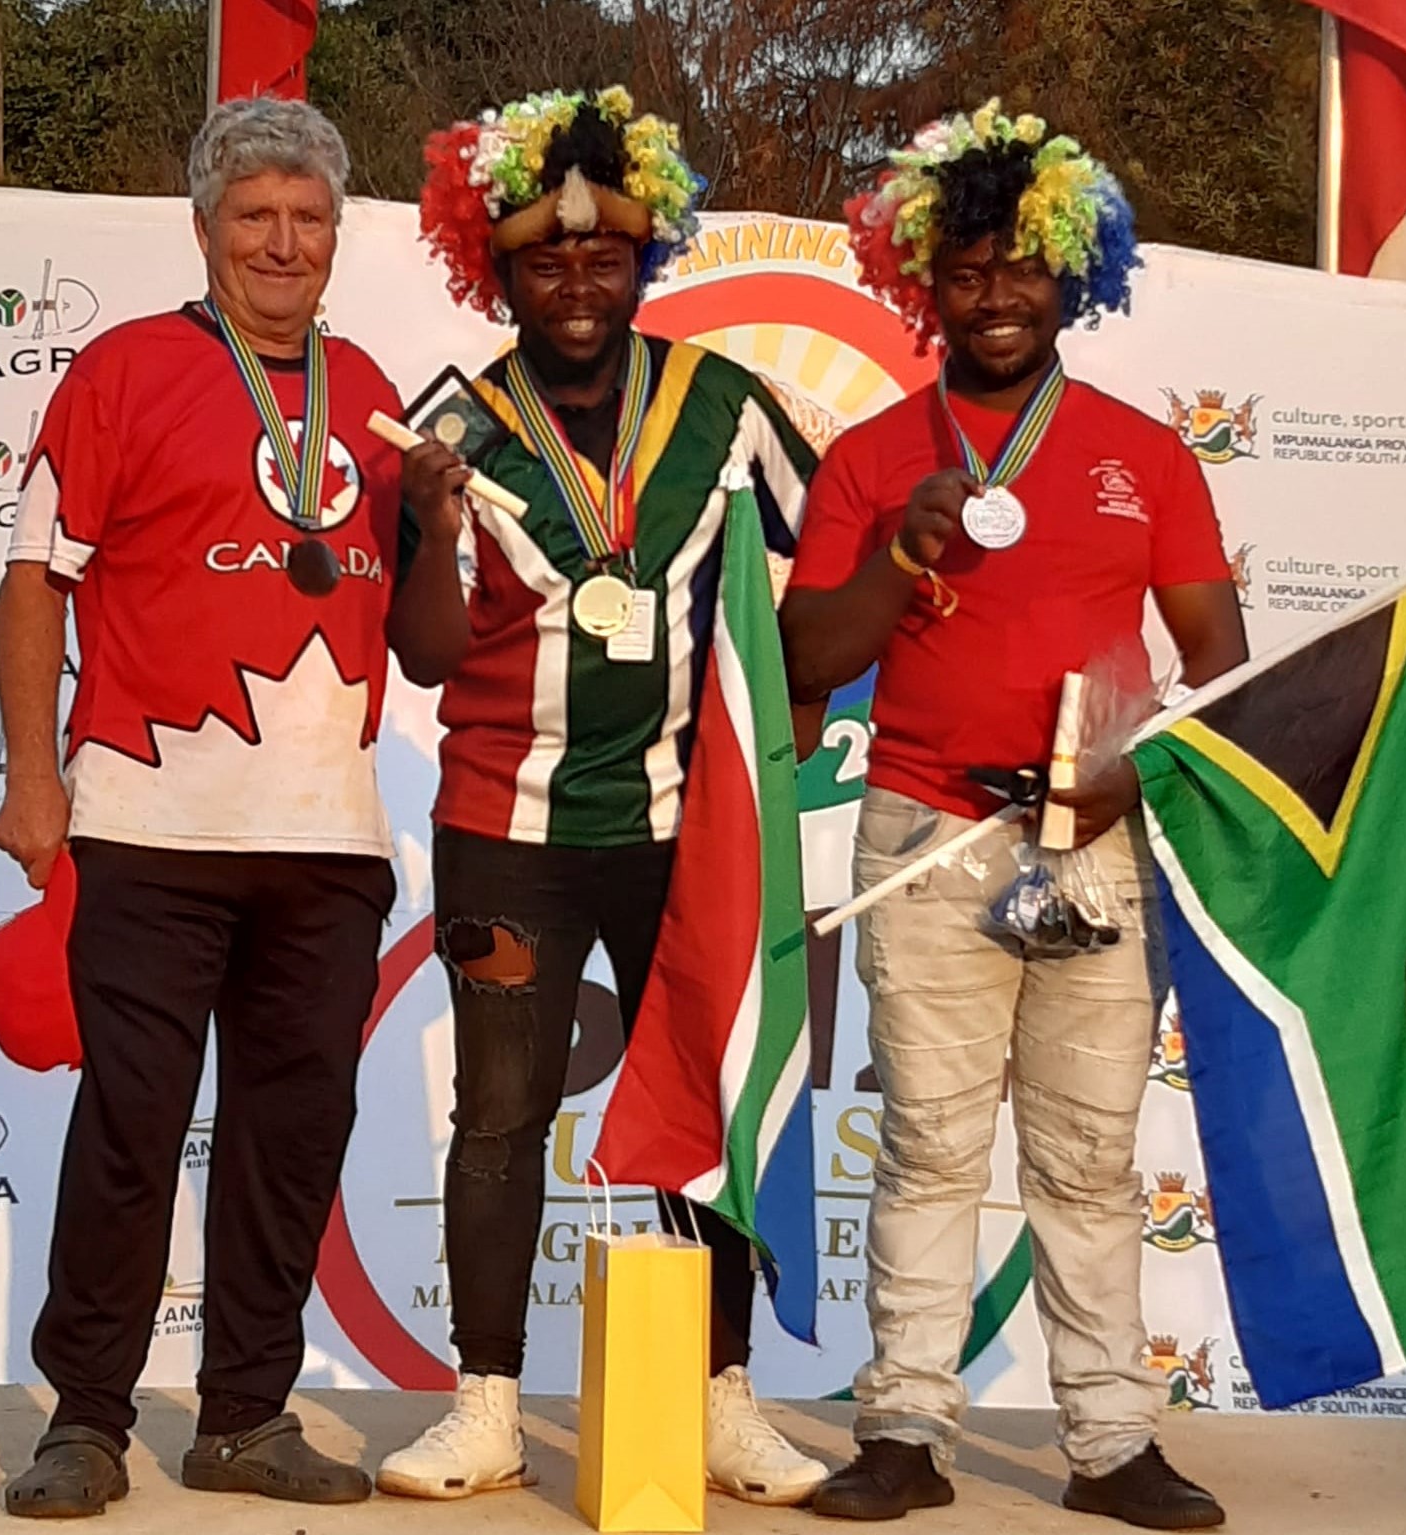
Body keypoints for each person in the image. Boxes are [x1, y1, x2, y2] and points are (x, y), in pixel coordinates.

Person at [0, 97, 463, 1517]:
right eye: (254, 215)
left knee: (290, 1138)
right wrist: (31, 775)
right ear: (203, 229)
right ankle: (86, 1418)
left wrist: (438, 526)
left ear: (338, 236)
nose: (282, 242)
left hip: (327, 841)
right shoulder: (126, 371)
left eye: (308, 218)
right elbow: (34, 582)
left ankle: (246, 1416)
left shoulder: (373, 396)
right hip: (151, 825)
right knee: (130, 1129)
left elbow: (425, 650)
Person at [782, 102, 1248, 1527]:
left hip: (1099, 845)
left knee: (1090, 1162)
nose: (995, 297)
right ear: (925, 282)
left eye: (1022, 269)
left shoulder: (1143, 455)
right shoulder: (872, 457)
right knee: (928, 1148)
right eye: (967, 271)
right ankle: (903, 1433)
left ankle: (1111, 1443)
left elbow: (1221, 669)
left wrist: (1133, 773)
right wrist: (900, 550)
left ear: (1073, 274)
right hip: (926, 835)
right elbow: (807, 658)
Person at [373, 87, 830, 1508]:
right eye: (545, 261)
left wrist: (794, 740)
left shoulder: (726, 407)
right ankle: (487, 1407)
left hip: (692, 832)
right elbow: (422, 654)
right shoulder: (450, 427)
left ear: (647, 262)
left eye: (606, 258)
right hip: (505, 833)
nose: (577, 284)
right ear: (494, 272)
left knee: (708, 1102)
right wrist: (431, 522)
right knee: (500, 1113)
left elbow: (829, 566)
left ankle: (722, 1400)